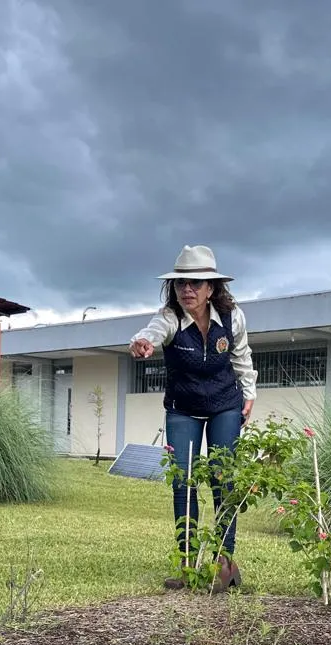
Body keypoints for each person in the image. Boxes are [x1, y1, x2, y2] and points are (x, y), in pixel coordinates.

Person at [129, 244, 257, 593]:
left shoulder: (233, 318)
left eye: (195, 284)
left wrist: (250, 394)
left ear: (211, 288)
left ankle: (225, 566)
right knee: (183, 482)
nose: (187, 289)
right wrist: (143, 342)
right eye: (180, 283)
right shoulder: (170, 317)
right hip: (182, 408)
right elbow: (151, 332)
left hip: (225, 406)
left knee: (222, 480)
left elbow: (242, 356)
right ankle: (187, 568)